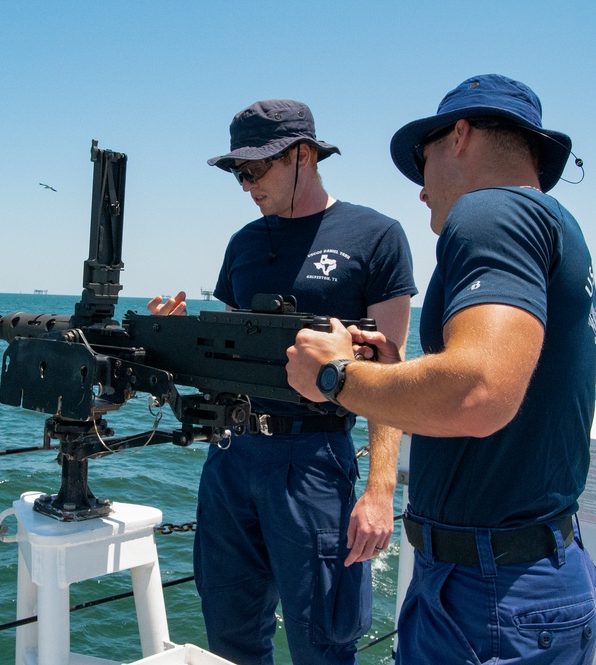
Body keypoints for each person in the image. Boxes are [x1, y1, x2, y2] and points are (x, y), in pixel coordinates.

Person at [286, 75, 596, 664]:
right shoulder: (558, 226)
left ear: (459, 136)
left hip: (488, 595)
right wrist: (393, 373)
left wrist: (337, 378)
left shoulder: (493, 210)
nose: (420, 190)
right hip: (535, 572)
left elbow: (478, 392)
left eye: (421, 159)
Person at [148, 99, 418, 665]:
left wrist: (379, 490)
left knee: (323, 641)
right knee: (229, 632)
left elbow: (390, 375)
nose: (245, 185)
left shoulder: (377, 236)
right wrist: (171, 342)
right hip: (231, 455)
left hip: (315, 456)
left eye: (254, 170)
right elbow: (222, 356)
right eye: (237, 173)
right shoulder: (243, 243)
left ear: (302, 155)